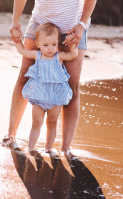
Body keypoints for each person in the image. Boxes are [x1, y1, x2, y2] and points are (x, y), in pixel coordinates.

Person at [3, 0, 98, 157]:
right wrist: (15, 20)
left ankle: (65, 147)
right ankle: (10, 134)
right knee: (25, 77)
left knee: (71, 86)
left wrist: (81, 26)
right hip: (40, 26)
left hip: (72, 29)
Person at [14, 23, 78, 157]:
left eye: (54, 44)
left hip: (55, 98)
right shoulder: (36, 55)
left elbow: (73, 55)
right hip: (38, 97)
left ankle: (48, 148)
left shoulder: (58, 56)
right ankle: (31, 148)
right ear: (38, 44)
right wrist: (17, 40)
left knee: (52, 123)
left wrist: (72, 44)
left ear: (57, 43)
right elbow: (22, 50)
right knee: (36, 123)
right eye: (46, 45)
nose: (50, 49)